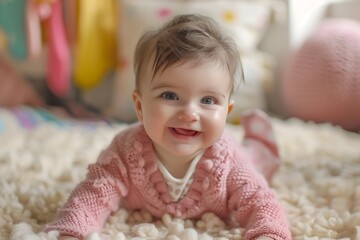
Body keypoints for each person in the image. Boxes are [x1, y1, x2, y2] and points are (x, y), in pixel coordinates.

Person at [45, 14, 291, 239]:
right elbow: (93, 194)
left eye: (208, 100)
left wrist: (267, 234)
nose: (189, 113)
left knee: (259, 162)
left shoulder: (231, 163)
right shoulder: (125, 151)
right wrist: (72, 231)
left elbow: (261, 202)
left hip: (247, 158)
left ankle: (258, 139)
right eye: (170, 96)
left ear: (226, 112)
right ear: (140, 106)